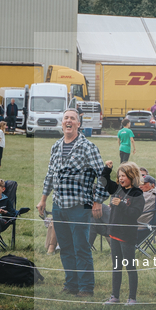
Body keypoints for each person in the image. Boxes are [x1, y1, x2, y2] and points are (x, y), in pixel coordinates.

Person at [36, 109, 109, 297]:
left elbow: (103, 176)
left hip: (81, 206)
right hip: (59, 206)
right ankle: (71, 284)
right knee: (65, 248)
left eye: (72, 119)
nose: (69, 121)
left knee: (81, 247)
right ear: (62, 123)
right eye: (66, 118)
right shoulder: (56, 146)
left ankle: (86, 288)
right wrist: (43, 198)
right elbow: (50, 175)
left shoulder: (88, 147)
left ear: (79, 124)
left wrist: (98, 201)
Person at [100, 161, 145, 305]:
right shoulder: (118, 189)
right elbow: (104, 182)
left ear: (132, 176)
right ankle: (115, 297)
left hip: (127, 236)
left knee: (130, 267)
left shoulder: (138, 194)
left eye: (124, 175)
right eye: (119, 176)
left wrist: (122, 205)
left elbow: (135, 214)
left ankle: (132, 298)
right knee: (116, 266)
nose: (120, 178)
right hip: (114, 233)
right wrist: (107, 169)